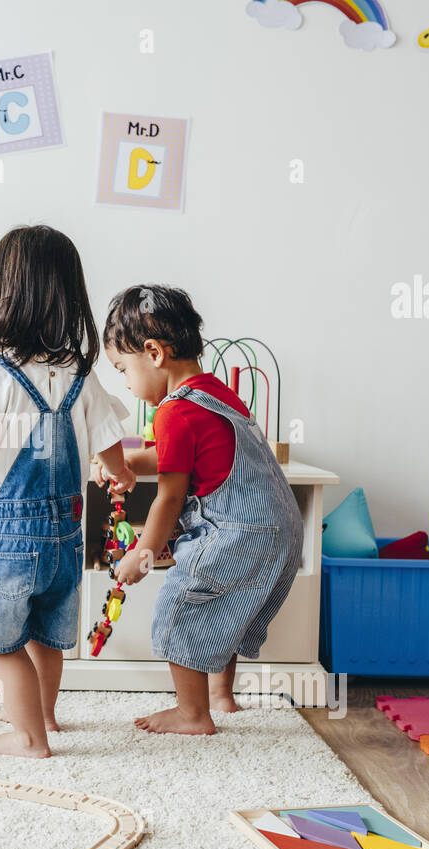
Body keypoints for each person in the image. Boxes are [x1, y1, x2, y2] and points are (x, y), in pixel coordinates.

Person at [0, 225, 135, 757]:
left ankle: (28, 737)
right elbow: (112, 452)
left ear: (2, 293)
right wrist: (117, 474)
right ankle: (46, 717)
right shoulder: (81, 375)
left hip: (7, 538)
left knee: (3, 645)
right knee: (45, 636)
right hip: (66, 534)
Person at [97, 285, 303, 734]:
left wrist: (143, 554)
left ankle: (192, 714)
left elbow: (170, 495)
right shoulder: (215, 394)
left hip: (240, 531)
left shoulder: (171, 413)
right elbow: (184, 455)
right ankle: (220, 696)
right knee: (221, 607)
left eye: (123, 370)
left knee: (180, 605)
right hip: (280, 528)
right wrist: (130, 461)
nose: (127, 385)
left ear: (153, 353)